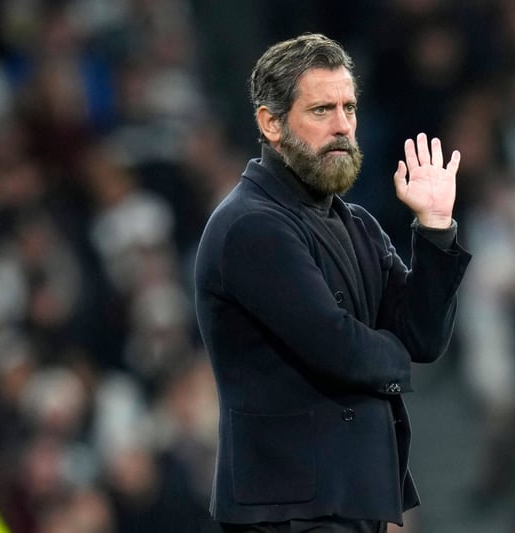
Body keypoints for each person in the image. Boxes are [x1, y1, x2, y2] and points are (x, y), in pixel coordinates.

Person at [194, 33, 471, 532]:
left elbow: (424, 338)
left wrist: (434, 229)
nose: (342, 125)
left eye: (349, 108)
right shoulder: (250, 225)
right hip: (287, 511)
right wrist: (393, 353)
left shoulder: (358, 224)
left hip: (347, 499)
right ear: (271, 123)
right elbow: (338, 348)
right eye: (321, 110)